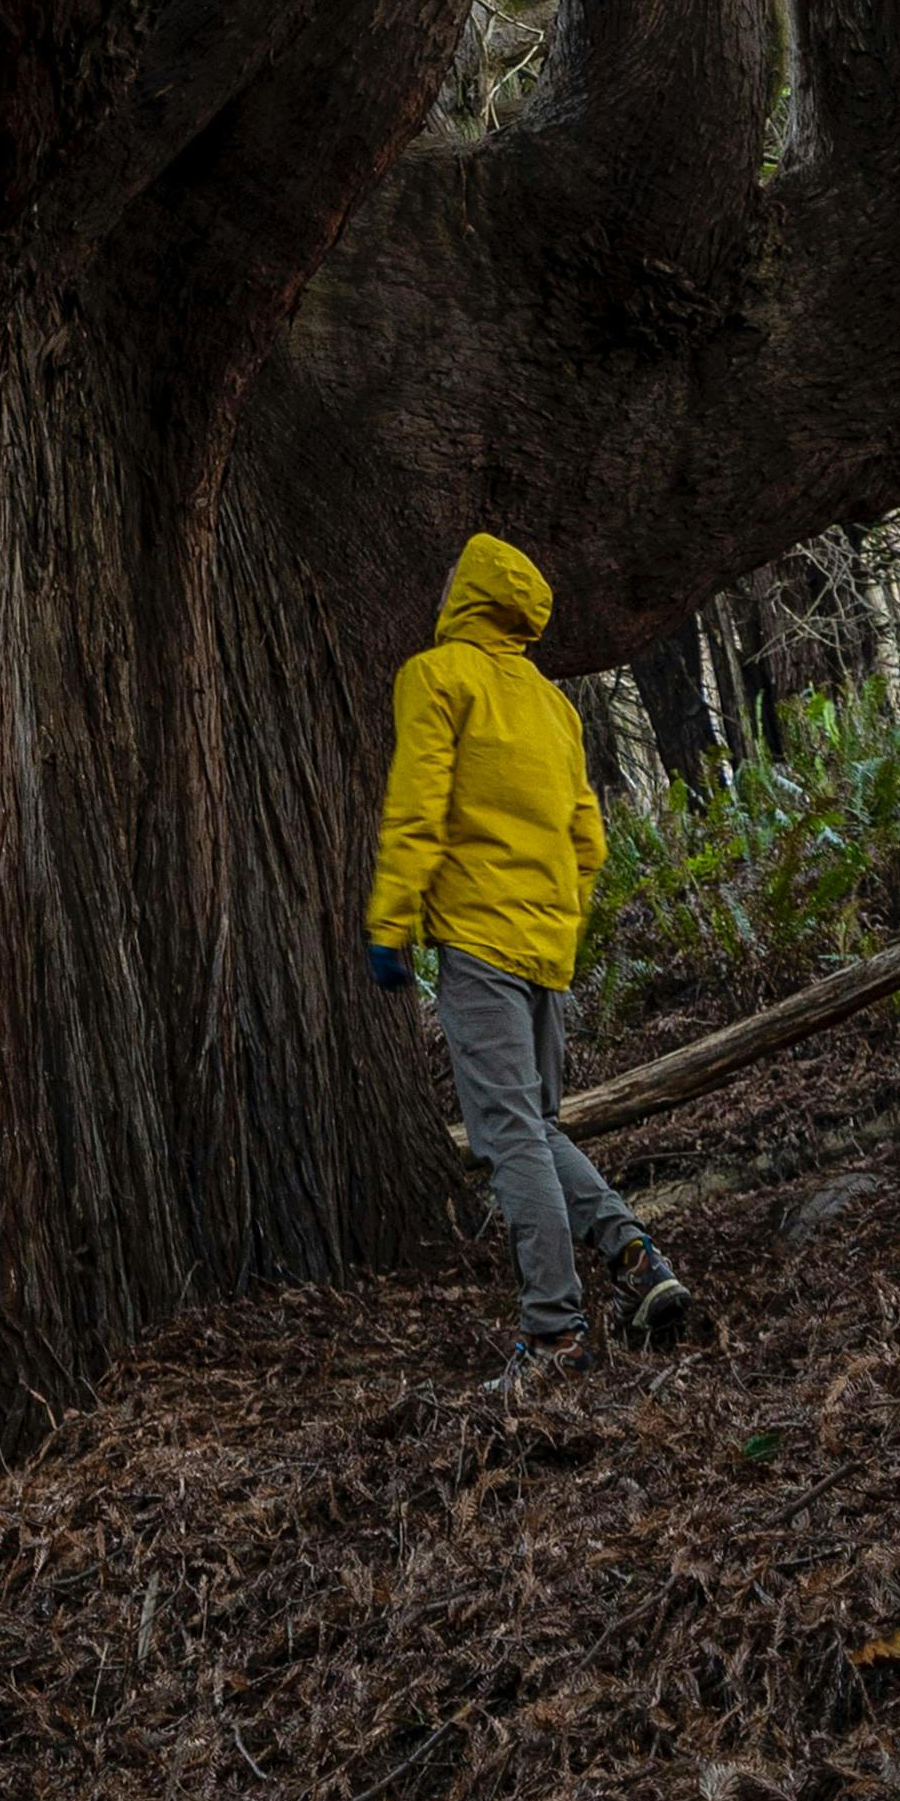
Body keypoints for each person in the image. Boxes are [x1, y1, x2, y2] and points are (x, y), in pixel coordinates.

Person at [365, 529, 695, 1375]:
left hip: (477, 943)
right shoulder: (552, 703)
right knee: (531, 1126)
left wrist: (390, 921)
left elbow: (417, 805)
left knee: (509, 1137)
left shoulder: (436, 677)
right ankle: (635, 1257)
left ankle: (553, 1332)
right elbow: (590, 839)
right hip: (545, 948)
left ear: (463, 595)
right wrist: (557, 919)